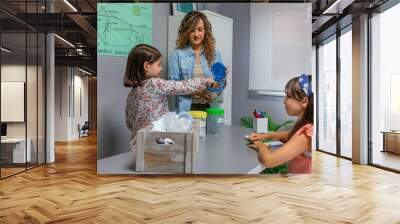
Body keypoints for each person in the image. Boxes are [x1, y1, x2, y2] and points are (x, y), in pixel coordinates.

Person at [124, 44, 214, 152]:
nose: (161, 68)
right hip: (157, 143)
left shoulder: (132, 94)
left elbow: (129, 122)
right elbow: (181, 86)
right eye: (159, 65)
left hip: (137, 145)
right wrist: (204, 81)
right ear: (147, 66)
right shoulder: (154, 83)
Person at [248, 74, 314, 173]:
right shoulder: (304, 123)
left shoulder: (307, 134)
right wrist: (266, 135)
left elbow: (269, 161)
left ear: (304, 101)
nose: (284, 101)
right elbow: (291, 135)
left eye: (288, 97)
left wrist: (260, 145)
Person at [168, 11, 225, 112]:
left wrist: (215, 89)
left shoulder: (215, 54)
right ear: (186, 32)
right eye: (191, 30)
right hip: (186, 109)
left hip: (210, 107)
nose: (196, 34)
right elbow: (173, 87)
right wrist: (200, 93)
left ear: (205, 31)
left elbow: (221, 81)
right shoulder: (177, 55)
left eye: (200, 29)